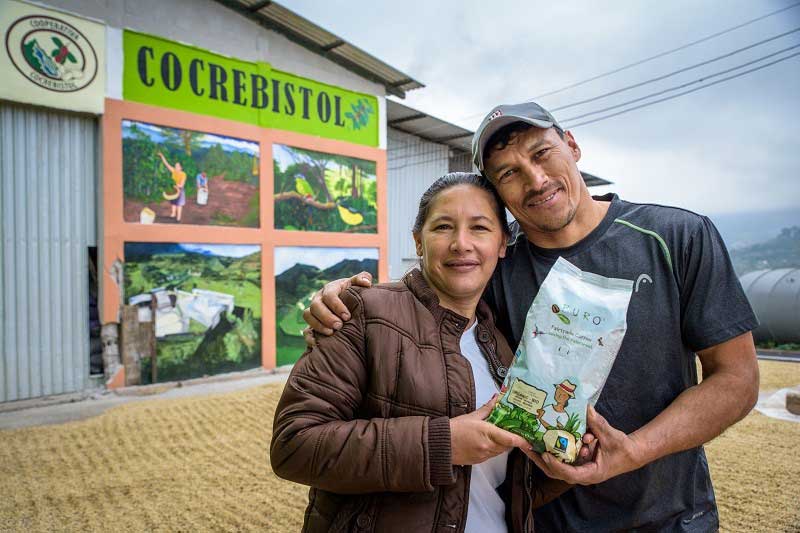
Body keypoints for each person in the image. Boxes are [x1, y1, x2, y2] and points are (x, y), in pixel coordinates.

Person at [303, 101, 760, 532]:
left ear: (573, 146)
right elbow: (430, 289)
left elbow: (736, 378)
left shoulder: (674, 237)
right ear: (499, 195)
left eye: (543, 154)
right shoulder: (502, 264)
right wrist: (348, 296)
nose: (536, 179)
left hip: (669, 517)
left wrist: (633, 451)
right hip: (541, 518)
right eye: (509, 173)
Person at [271, 173, 580, 533]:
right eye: (443, 227)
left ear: (502, 244)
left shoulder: (504, 351)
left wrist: (563, 462)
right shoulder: (363, 313)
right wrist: (444, 444)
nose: (461, 244)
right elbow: (294, 446)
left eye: (479, 228)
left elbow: (498, 488)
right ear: (419, 241)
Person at [157, 151, 186, 221]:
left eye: (177, 166)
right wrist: (162, 156)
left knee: (179, 204)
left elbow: (182, 185)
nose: (176, 167)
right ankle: (173, 214)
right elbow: (166, 164)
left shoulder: (183, 174)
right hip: (174, 190)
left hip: (180, 190)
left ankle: (178, 218)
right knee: (173, 203)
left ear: (181, 167)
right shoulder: (173, 171)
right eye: (175, 166)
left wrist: (177, 186)